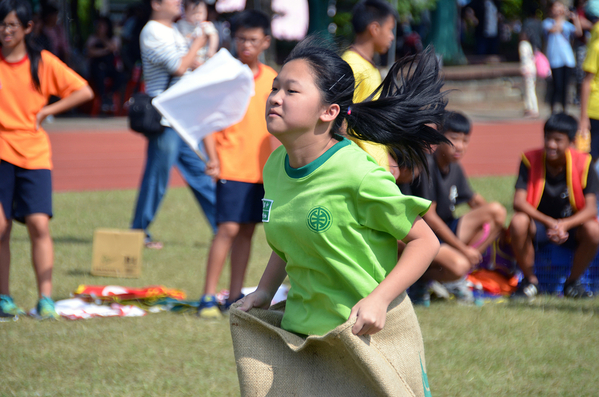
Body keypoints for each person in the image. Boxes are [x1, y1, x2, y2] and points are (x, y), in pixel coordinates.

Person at [236, 39, 448, 394]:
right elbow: (291, 238)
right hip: (303, 337)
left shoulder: (358, 173)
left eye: (291, 90)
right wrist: (264, 290)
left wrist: (379, 300)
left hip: (365, 336)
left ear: (329, 111)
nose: (275, 97)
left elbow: (425, 241)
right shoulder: (275, 167)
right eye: (275, 88)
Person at [0, 0, 94, 320]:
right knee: (0, 228)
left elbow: (83, 91)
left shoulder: (42, 62)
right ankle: (4, 297)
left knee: (39, 225)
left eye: (12, 25)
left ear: (27, 28)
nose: (6, 30)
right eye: (2, 24)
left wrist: (47, 111)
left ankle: (45, 299)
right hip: (1, 151)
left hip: (34, 153)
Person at [197, 10, 276, 318]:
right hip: (231, 165)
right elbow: (207, 121)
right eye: (241, 38)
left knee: (247, 232)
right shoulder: (224, 76)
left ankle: (234, 296)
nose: (246, 45)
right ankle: (206, 296)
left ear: (265, 42)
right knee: (227, 229)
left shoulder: (273, 79)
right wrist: (213, 159)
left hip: (262, 170)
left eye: (253, 40)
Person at [130, 0, 217, 249]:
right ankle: (138, 232)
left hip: (183, 117)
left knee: (200, 174)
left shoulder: (175, 29)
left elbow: (191, 63)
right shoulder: (152, 31)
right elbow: (179, 67)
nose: (179, 2)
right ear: (156, 4)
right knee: (157, 177)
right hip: (166, 118)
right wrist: (198, 44)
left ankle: (221, 227)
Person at [408, 112, 507, 302]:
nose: (460, 146)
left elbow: (475, 201)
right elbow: (430, 217)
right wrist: (463, 248)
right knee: (460, 265)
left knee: (497, 212)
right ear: (439, 136)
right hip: (426, 234)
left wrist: (505, 232)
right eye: (454, 139)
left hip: (447, 228)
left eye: (465, 140)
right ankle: (424, 278)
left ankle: (453, 272)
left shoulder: (454, 166)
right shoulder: (427, 164)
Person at [509, 113, 599, 298]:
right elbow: (518, 201)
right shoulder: (529, 159)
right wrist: (550, 222)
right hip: (539, 225)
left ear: (571, 141)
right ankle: (530, 282)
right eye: (548, 138)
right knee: (518, 222)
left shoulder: (585, 162)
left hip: (571, 226)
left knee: (594, 229)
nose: (551, 145)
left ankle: (573, 283)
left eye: (558, 140)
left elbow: (590, 208)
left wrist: (565, 225)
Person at [341, 0, 397, 170]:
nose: (392, 36)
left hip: (375, 166)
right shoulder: (352, 65)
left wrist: (386, 158)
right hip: (362, 169)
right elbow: (341, 120)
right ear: (374, 29)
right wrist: (356, 163)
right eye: (390, 29)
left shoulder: (368, 65)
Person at [543, 0, 582, 114]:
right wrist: (561, 16)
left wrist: (574, 18)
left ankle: (564, 110)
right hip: (555, 59)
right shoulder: (547, 22)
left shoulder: (567, 25)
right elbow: (556, 29)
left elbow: (578, 32)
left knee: (566, 87)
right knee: (557, 86)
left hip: (567, 59)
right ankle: (553, 110)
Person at [85, 16, 124, 113]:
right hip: (97, 67)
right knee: (99, 74)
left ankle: (110, 95)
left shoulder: (114, 38)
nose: (100, 28)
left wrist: (103, 39)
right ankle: (102, 98)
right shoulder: (92, 38)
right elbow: (90, 52)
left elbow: (114, 48)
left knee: (121, 76)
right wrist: (105, 51)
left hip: (110, 67)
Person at [175, 0, 218, 65]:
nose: (197, 16)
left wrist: (211, 50)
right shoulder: (181, 24)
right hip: (186, 55)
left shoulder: (205, 25)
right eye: (194, 13)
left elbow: (213, 35)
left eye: (200, 13)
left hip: (202, 56)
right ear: (185, 13)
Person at [519, 27, 539, 118]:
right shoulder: (529, 45)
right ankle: (533, 108)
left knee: (528, 90)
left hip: (527, 68)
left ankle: (531, 108)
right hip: (532, 68)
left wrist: (524, 68)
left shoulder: (523, 44)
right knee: (531, 89)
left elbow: (524, 58)